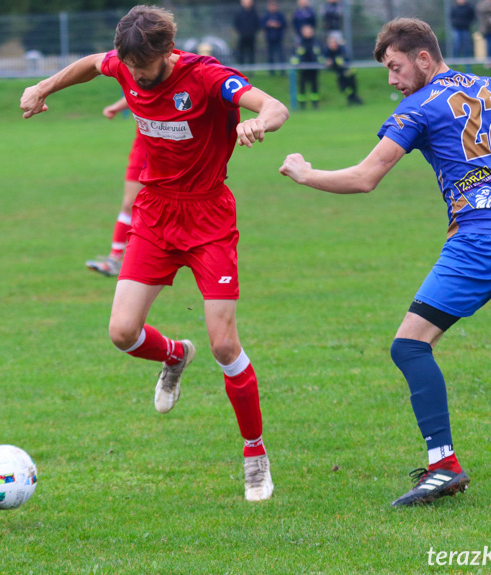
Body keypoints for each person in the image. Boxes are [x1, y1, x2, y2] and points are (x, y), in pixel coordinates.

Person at [280, 17, 491, 507]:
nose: (392, 79)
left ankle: (443, 465)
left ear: (424, 58)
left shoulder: (417, 108)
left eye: (396, 66)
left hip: (481, 240)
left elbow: (365, 177)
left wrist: (305, 173)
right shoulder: (484, 85)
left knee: (409, 347)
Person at [21, 5, 290, 501]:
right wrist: (42, 88)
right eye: (131, 72)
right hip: (155, 214)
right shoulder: (125, 62)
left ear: (167, 52)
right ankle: (173, 355)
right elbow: (87, 64)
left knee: (225, 345)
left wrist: (260, 124)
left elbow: (274, 105)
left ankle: (255, 454)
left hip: (208, 218)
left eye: (144, 71)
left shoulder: (207, 77)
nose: (137, 82)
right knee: (121, 332)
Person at [86, 97, 147, 277]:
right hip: (143, 150)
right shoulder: (145, 75)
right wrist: (115, 107)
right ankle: (114, 260)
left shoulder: (182, 73)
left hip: (175, 152)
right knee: (129, 204)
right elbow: (137, 89)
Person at [323, 33, 362, 105]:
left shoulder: (341, 49)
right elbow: (325, 59)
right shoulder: (328, 51)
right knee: (343, 88)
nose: (331, 45)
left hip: (348, 71)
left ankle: (354, 99)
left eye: (333, 42)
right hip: (340, 72)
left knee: (351, 86)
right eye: (330, 43)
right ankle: (352, 98)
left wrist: (332, 61)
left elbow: (341, 61)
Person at [291, 24, 321, 109]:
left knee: (314, 86)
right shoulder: (299, 43)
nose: (309, 33)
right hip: (302, 68)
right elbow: (294, 55)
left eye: (310, 31)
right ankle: (302, 105)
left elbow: (319, 54)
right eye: (306, 31)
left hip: (314, 68)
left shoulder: (315, 42)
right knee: (302, 86)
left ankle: (315, 104)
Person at [261, 0, 287, 75]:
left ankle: (282, 71)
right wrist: (268, 24)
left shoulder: (280, 15)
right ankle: (271, 72)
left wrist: (277, 24)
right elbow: (262, 25)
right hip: (269, 38)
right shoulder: (266, 15)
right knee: (270, 55)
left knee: (281, 55)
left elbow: (284, 24)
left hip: (279, 38)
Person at [233, 0, 261, 66]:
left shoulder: (254, 13)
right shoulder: (239, 13)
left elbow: (257, 24)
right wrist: (241, 32)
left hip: (251, 36)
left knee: (251, 53)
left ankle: (251, 69)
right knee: (241, 53)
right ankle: (241, 67)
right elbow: (236, 24)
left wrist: (253, 32)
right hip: (242, 36)